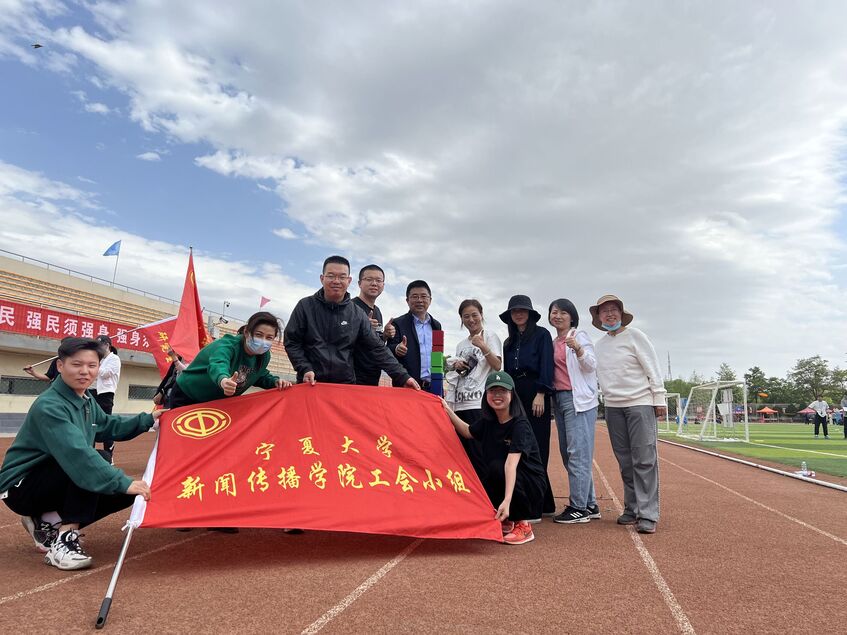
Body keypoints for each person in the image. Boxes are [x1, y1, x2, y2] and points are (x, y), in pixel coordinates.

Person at [0, 337, 165, 570]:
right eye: (77, 365)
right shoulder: (50, 406)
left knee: (122, 490)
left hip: (51, 476)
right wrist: (123, 481)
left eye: (92, 365)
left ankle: (47, 521)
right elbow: (76, 453)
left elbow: (107, 425)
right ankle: (65, 540)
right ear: (60, 366)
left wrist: (148, 420)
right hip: (21, 486)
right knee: (94, 465)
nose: (85, 371)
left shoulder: (85, 400)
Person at [441, 371, 545, 545]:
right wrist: (446, 409)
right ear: (486, 395)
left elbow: (511, 465)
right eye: (493, 391)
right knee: (486, 471)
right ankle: (508, 519)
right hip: (507, 476)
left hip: (529, 484)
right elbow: (467, 431)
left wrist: (506, 500)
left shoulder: (520, 424)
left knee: (497, 467)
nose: (497, 395)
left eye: (502, 391)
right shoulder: (488, 421)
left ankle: (523, 524)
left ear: (512, 395)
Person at [591, 294, 666, 535]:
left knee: (644, 459)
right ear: (599, 317)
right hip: (613, 407)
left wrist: (659, 398)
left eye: (614, 309)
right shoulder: (599, 346)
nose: (610, 314)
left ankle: (648, 514)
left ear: (621, 314)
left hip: (640, 403)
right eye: (605, 311)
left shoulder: (636, 336)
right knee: (625, 461)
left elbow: (652, 367)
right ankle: (632, 508)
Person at [284, 256, 419, 388]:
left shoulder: (357, 313)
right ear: (322, 278)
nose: (336, 281)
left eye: (342, 277)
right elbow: (292, 341)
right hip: (311, 383)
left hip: (345, 386)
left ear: (349, 281)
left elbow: (377, 348)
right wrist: (305, 368)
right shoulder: (305, 306)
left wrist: (403, 377)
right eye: (331, 276)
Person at [500, 294, 555, 518]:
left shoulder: (542, 335)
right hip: (516, 393)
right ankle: (545, 503)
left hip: (536, 391)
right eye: (514, 311)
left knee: (538, 447)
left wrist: (541, 392)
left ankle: (537, 504)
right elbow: (506, 372)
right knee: (519, 445)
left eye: (522, 310)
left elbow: (547, 365)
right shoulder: (509, 342)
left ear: (530, 314)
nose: (518, 314)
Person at [547, 299, 601, 524]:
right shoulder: (553, 342)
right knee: (568, 453)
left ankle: (578, 507)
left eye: (563, 312)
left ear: (571, 317)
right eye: (554, 312)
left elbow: (591, 365)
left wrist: (578, 349)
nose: (558, 316)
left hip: (577, 399)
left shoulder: (579, 336)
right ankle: (590, 504)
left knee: (578, 452)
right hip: (558, 399)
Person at [169, 311, 293, 408]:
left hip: (217, 403)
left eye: (269, 338)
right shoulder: (227, 345)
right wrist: (223, 380)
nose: (263, 341)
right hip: (188, 395)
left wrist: (275, 382)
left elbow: (258, 375)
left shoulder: (264, 356)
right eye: (259, 335)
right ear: (246, 332)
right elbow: (218, 364)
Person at [445, 299, 502, 474]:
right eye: (466, 316)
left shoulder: (490, 336)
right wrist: (457, 366)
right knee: (464, 457)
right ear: (461, 319)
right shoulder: (461, 345)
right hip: (460, 404)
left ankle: (485, 491)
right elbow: (460, 374)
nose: (471, 320)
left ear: (481, 315)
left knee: (481, 456)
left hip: (479, 404)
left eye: (474, 315)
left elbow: (497, 365)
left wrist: (483, 346)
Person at [387, 280, 442, 389]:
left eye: (423, 296)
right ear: (407, 300)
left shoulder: (436, 325)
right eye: (415, 296)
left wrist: (438, 384)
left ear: (430, 300)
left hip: (433, 386)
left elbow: (437, 356)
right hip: (407, 386)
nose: (419, 300)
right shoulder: (398, 323)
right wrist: (396, 348)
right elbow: (387, 351)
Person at [351, 264, 397, 386]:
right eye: (369, 279)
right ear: (359, 283)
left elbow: (375, 343)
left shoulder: (378, 311)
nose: (374, 283)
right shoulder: (350, 307)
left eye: (378, 280)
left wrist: (385, 335)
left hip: (372, 376)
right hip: (352, 376)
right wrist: (361, 328)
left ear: (383, 285)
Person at [91, 335, 121, 458]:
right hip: (94, 392)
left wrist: (94, 365)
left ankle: (109, 454)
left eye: (99, 346)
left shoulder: (114, 359)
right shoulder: (101, 360)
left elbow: (105, 374)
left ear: (107, 345)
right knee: (91, 423)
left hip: (106, 394)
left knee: (105, 423)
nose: (97, 349)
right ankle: (90, 453)